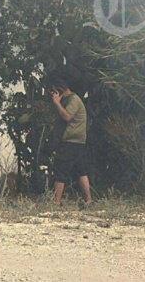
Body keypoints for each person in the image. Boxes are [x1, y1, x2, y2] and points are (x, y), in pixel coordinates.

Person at [50, 78, 93, 208]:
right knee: (80, 170)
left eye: (53, 92)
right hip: (77, 141)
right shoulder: (70, 100)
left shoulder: (73, 100)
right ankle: (88, 199)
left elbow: (67, 116)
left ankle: (56, 202)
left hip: (71, 141)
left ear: (59, 90)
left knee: (60, 168)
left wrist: (57, 103)